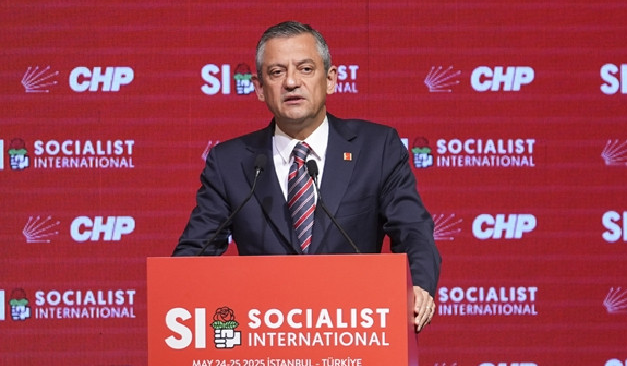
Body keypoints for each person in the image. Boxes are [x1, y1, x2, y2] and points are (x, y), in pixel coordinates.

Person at [174, 21, 441, 332]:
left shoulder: (377, 149)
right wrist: (180, 295)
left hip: (355, 333)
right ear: (259, 88)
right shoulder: (230, 162)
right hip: (265, 336)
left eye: (305, 69)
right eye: (276, 72)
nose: (291, 82)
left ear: (330, 79)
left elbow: (413, 231)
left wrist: (417, 286)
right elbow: (195, 254)